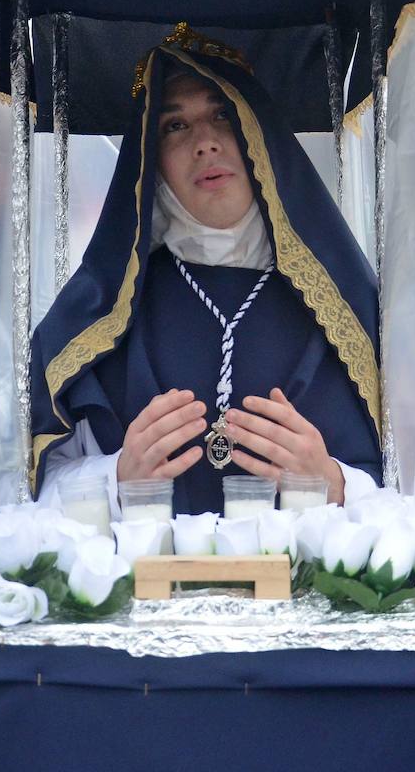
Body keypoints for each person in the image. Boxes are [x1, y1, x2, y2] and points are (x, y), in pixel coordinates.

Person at [29, 27, 383, 515]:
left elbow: (414, 488)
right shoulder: (98, 316)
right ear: (151, 159)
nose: (205, 144)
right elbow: (32, 489)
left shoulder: (347, 309)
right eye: (175, 126)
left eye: (222, 115)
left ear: (259, 134)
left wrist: (334, 483)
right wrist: (116, 478)